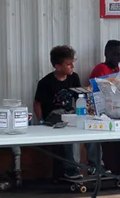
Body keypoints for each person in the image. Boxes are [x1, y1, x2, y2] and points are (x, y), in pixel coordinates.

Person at [34, 45, 102, 179]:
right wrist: (41, 121)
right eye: (69, 64)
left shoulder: (74, 78)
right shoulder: (45, 82)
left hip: (71, 113)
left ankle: (96, 166)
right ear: (58, 66)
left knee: (91, 128)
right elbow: (37, 104)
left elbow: (79, 99)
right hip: (54, 116)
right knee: (68, 131)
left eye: (72, 63)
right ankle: (71, 169)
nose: (72, 67)